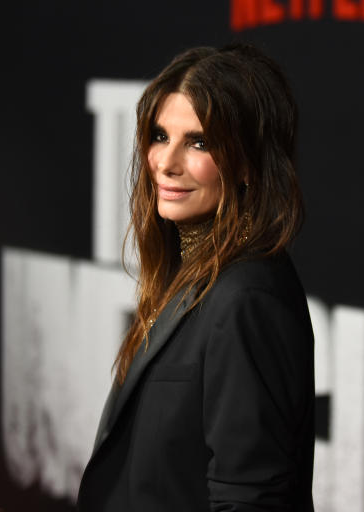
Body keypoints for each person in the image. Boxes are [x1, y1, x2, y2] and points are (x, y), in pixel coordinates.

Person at [77, 44, 315, 511]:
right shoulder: (193, 273)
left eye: (199, 142)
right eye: (161, 136)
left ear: (247, 163)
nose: (166, 162)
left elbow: (249, 502)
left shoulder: (246, 298)